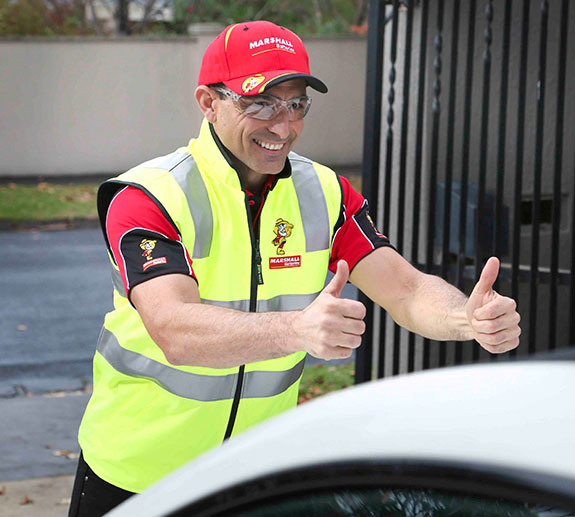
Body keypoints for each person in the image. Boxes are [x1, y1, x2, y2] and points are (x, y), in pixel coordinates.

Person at [69, 20, 521, 517]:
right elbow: (173, 328)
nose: (282, 125)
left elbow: (407, 290)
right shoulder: (149, 196)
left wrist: (466, 318)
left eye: (296, 103)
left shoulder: (325, 192)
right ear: (208, 102)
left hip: (253, 478)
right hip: (137, 474)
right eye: (259, 103)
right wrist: (296, 330)